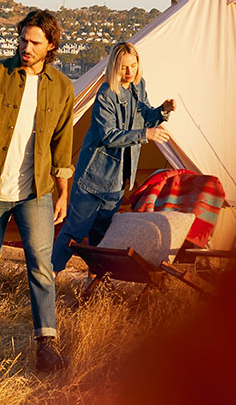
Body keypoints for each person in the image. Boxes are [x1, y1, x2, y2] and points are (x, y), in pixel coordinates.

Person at [0, 9, 74, 373]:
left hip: (35, 191)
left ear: (51, 45)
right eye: (23, 39)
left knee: (41, 266)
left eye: (35, 42)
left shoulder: (62, 88)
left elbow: (62, 144)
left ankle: (46, 346)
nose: (26, 47)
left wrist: (63, 192)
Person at [51, 42, 175, 273]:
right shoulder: (106, 94)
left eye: (133, 66)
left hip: (118, 180)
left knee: (102, 235)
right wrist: (146, 134)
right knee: (75, 230)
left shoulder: (138, 87)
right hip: (94, 177)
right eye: (123, 67)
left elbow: (144, 117)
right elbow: (109, 136)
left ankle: (96, 280)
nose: (129, 72)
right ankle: (47, 277)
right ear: (114, 68)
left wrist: (162, 111)